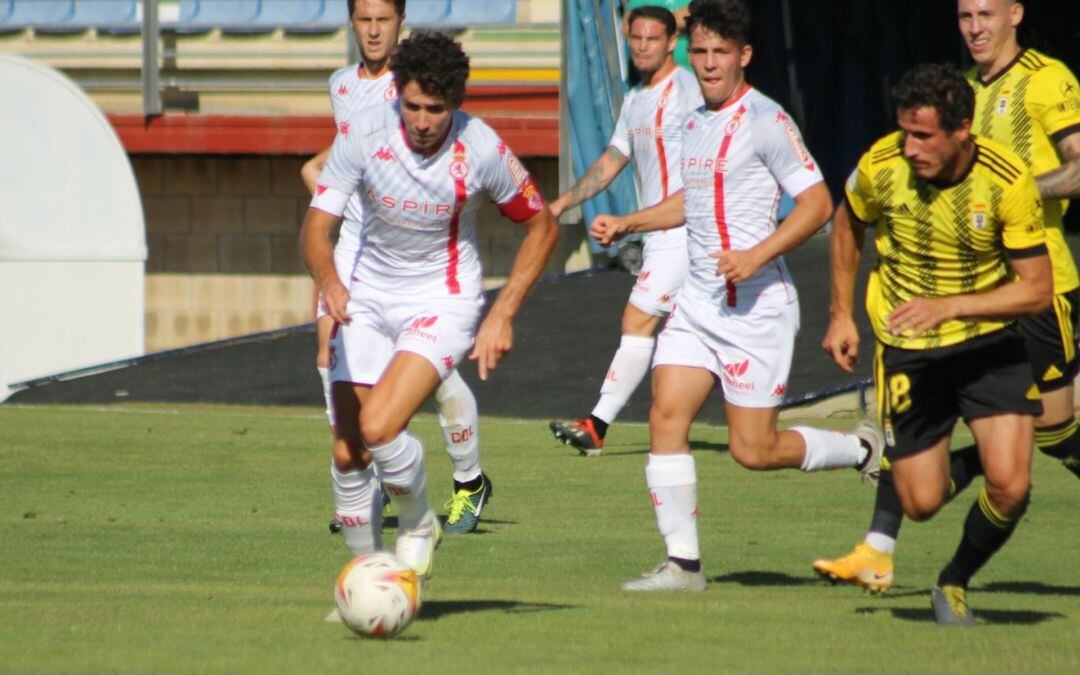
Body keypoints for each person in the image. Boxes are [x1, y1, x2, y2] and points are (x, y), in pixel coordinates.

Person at [589, 0, 882, 592]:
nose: (708, 63)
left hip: (756, 309)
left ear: (743, 56)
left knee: (754, 450)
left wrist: (756, 255)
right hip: (698, 302)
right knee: (665, 417)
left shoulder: (766, 121)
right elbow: (691, 201)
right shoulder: (692, 118)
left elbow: (818, 204)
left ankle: (859, 447)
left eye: (721, 52)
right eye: (698, 51)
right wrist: (632, 222)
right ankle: (683, 566)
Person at [813, 0, 1080, 596]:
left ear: (1016, 13)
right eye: (965, 16)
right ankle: (880, 545)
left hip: (1036, 285)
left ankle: (903, 551)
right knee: (952, 480)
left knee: (1053, 435)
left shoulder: (1048, 80)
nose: (975, 27)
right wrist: (840, 313)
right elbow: (849, 216)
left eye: (986, 13)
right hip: (927, 320)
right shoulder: (949, 96)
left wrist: (1010, 193)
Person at [300, 31, 558, 582]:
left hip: (443, 299)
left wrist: (504, 311)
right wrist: (330, 281)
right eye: (412, 106)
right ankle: (367, 580)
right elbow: (317, 228)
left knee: (379, 425)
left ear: (456, 105)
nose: (421, 121)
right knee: (348, 453)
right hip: (364, 294)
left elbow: (542, 225)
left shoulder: (482, 148)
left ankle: (417, 522)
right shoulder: (363, 135)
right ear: (397, 94)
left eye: (435, 110)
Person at [300, 0, 492, 538]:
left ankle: (468, 479)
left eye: (383, 19)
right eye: (364, 19)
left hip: (415, 252)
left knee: (434, 371)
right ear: (352, 22)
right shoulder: (341, 84)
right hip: (356, 248)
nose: (374, 29)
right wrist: (323, 185)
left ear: (400, 22)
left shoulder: (412, 84)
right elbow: (343, 152)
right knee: (329, 354)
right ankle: (362, 478)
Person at [548, 5, 702, 456]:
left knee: (638, 320)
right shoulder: (635, 99)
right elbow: (613, 159)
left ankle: (596, 426)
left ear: (672, 42)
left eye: (652, 39)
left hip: (689, 231)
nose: (642, 47)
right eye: (635, 39)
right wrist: (562, 202)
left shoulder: (687, 90)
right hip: (661, 234)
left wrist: (625, 222)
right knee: (691, 335)